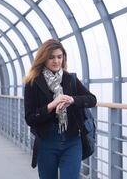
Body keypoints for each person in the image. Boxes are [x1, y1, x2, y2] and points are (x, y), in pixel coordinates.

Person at [23, 39, 97, 179]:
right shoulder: (33, 83)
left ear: (63, 58)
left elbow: (92, 99)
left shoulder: (70, 79)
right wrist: (52, 105)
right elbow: (30, 118)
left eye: (59, 57)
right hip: (47, 141)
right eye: (51, 57)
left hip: (72, 140)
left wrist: (72, 100)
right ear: (43, 59)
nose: (56, 61)